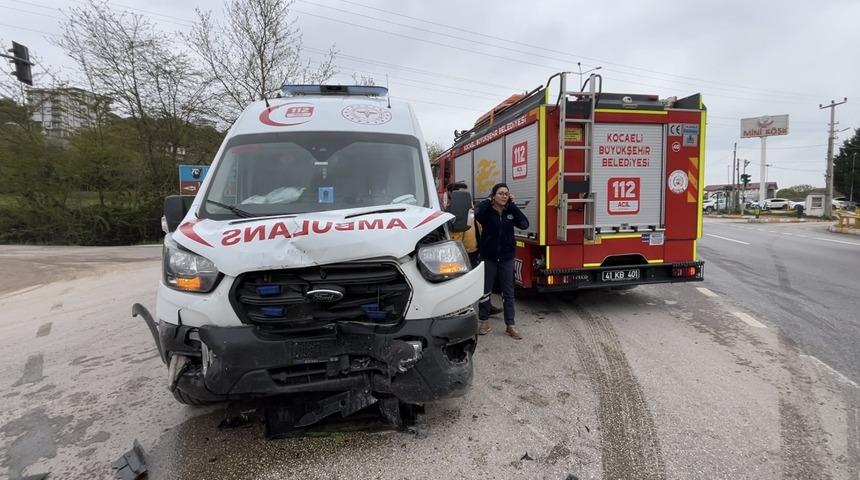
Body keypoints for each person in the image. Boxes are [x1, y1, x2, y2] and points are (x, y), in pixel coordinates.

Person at [474, 182, 529, 339]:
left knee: (508, 292)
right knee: (486, 290)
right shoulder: (486, 212)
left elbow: (524, 224)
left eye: (506, 193)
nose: (504, 196)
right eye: (500, 193)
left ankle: (510, 325)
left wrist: (512, 206)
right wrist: (488, 200)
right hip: (488, 257)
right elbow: (476, 212)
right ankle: (484, 321)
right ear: (493, 195)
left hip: (506, 258)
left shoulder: (510, 212)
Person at [446, 182, 504, 315]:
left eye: (468, 195)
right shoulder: (451, 213)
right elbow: (454, 236)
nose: (467, 198)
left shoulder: (471, 209)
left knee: (481, 281)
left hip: (477, 251)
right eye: (463, 195)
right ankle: (462, 312)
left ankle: (486, 306)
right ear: (453, 196)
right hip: (463, 254)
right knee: (464, 285)